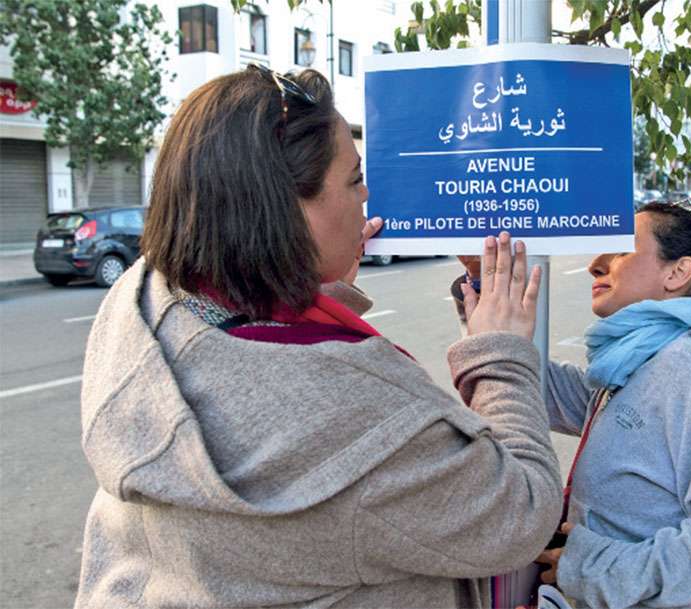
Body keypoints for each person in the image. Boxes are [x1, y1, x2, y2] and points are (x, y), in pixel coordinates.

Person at [73, 66, 563, 608]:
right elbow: (520, 513)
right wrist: (500, 356)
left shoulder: (146, 302)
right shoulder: (352, 412)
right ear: (283, 211)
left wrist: (307, 281)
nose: (368, 195)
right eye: (354, 181)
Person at [456, 202, 691, 609]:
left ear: (677, 273)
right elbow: (531, 388)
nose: (596, 265)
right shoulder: (638, 360)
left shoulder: (687, 365)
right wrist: (483, 282)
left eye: (620, 250)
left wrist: (598, 569)